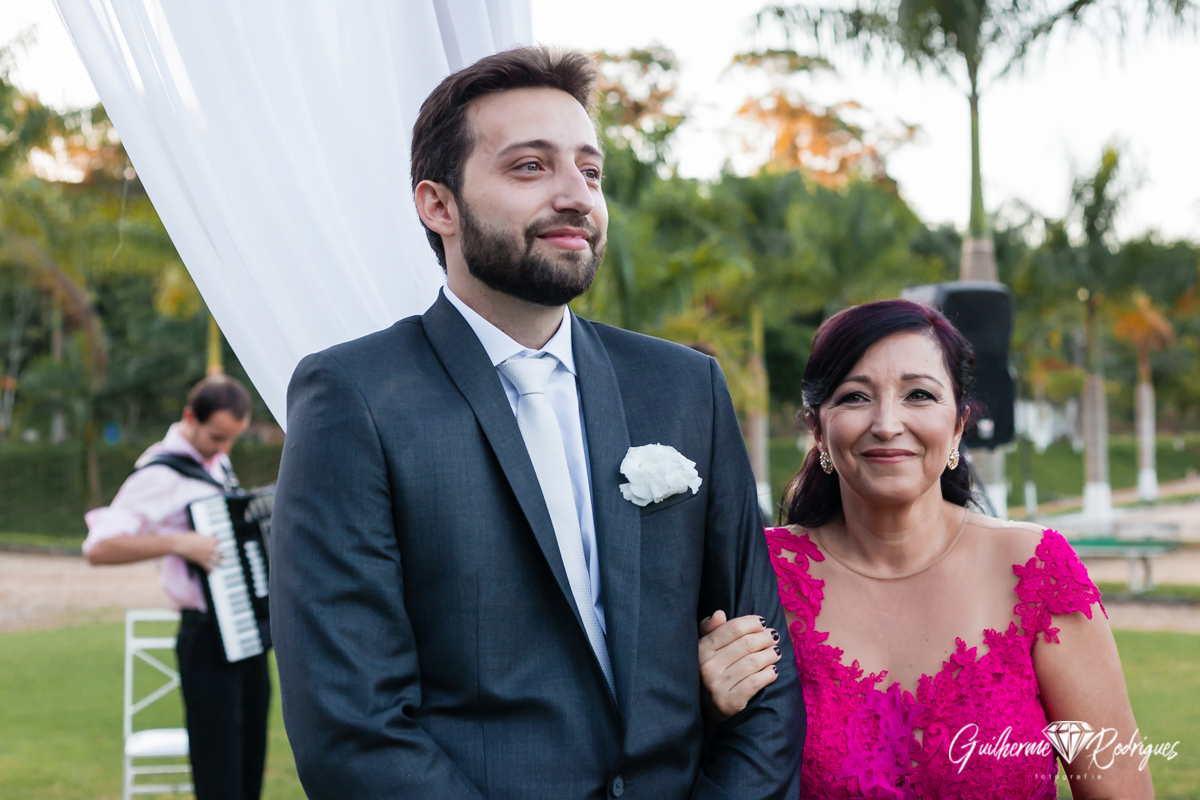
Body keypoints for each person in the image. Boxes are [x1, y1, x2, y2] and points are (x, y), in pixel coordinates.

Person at [270, 46, 803, 799]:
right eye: (530, 167)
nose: (575, 195)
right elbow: (352, 726)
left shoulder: (684, 386)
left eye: (590, 171)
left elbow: (764, 671)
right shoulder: (354, 397)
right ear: (438, 205)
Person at [697, 299, 1153, 799]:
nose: (887, 423)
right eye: (854, 397)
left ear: (958, 423)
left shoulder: (1036, 570)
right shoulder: (758, 571)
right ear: (817, 429)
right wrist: (705, 713)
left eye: (918, 394)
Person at [84, 375, 270, 800]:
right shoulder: (159, 474)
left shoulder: (215, 462)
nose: (225, 449)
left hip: (245, 636)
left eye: (233, 440)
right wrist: (176, 543)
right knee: (219, 779)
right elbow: (98, 548)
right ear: (190, 417)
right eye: (217, 437)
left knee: (249, 771)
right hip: (205, 638)